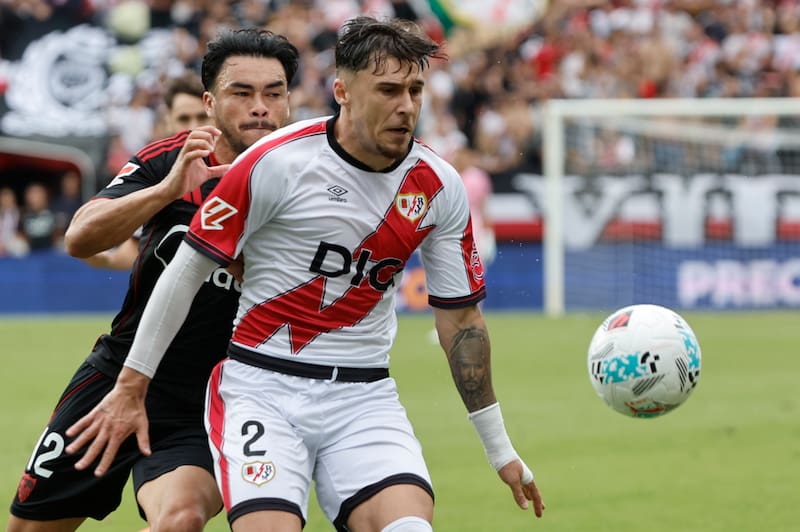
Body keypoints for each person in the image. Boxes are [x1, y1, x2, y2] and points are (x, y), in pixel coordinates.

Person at [65, 16, 545, 532]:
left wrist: (500, 449)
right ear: (342, 91)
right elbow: (184, 271)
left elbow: (462, 321)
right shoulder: (276, 162)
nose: (406, 106)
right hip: (261, 389)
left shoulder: (439, 187)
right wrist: (132, 386)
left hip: (364, 397)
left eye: (414, 89)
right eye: (387, 90)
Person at [6, 28, 299, 532]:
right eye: (242, 93)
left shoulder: (308, 177)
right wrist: (165, 191)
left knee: (178, 519)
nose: (260, 108)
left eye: (273, 93)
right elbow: (80, 237)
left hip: (212, 395)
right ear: (211, 102)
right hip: (117, 375)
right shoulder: (169, 158)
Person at [84, 71, 213, 272]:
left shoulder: (238, 166)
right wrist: (105, 260)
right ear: (168, 120)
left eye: (201, 117)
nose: (193, 127)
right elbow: (137, 248)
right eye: (183, 119)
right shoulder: (153, 172)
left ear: (214, 112)